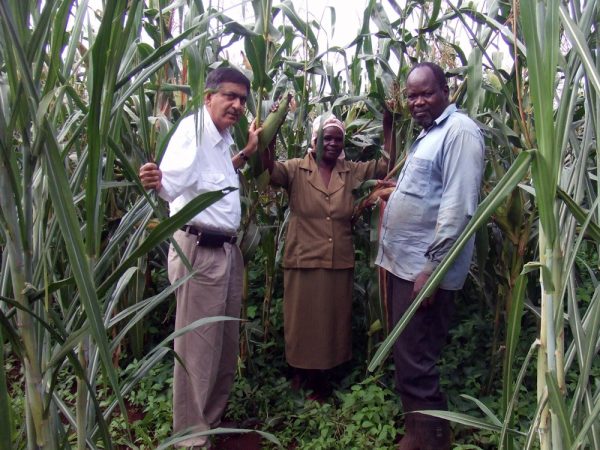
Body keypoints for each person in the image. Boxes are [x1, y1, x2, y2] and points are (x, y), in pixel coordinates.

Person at [139, 67, 262, 449]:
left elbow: (214, 178)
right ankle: (191, 440)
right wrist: (154, 178)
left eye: (243, 99)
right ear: (208, 97)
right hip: (199, 252)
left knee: (222, 346)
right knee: (197, 350)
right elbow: (170, 183)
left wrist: (244, 153)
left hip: (224, 250)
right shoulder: (193, 132)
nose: (238, 105)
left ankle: (210, 423)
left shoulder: (221, 139)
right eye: (230, 96)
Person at [376, 62, 485, 449]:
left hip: (423, 271)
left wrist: (433, 271)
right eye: (411, 96)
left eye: (426, 93)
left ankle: (432, 439)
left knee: (417, 360)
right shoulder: (428, 135)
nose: (417, 102)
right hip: (404, 266)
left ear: (446, 91)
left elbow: (458, 210)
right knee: (408, 356)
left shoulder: (459, 133)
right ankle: (416, 434)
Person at [264, 113, 389, 399]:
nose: (332, 144)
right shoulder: (296, 169)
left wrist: (389, 125)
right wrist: (268, 136)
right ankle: (300, 374)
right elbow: (267, 169)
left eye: (337, 139)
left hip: (338, 261)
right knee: (302, 322)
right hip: (303, 259)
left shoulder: (352, 171)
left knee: (332, 323)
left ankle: (326, 379)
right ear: (314, 141)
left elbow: (388, 165)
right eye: (326, 138)